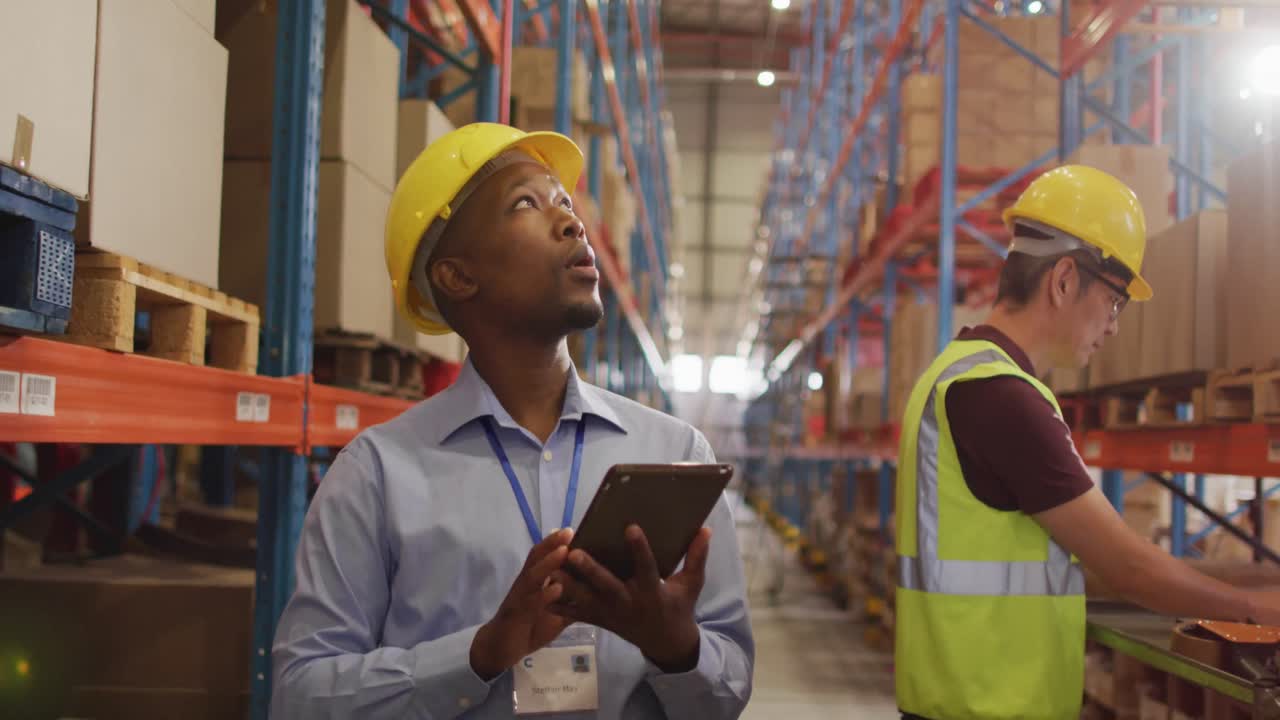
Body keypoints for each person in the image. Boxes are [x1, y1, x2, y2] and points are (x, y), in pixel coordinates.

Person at [270, 123, 754, 718]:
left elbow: (728, 693)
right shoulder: (377, 475)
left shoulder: (675, 451)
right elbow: (300, 698)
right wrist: (480, 652)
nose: (573, 223)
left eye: (566, 203)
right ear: (457, 275)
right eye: (526, 203)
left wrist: (678, 647)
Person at [894, 164, 1280, 720]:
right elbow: (1129, 569)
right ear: (1064, 280)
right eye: (1117, 300)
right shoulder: (1001, 397)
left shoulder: (953, 374)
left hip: (957, 699)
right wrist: (1252, 608)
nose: (1115, 326)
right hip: (990, 705)